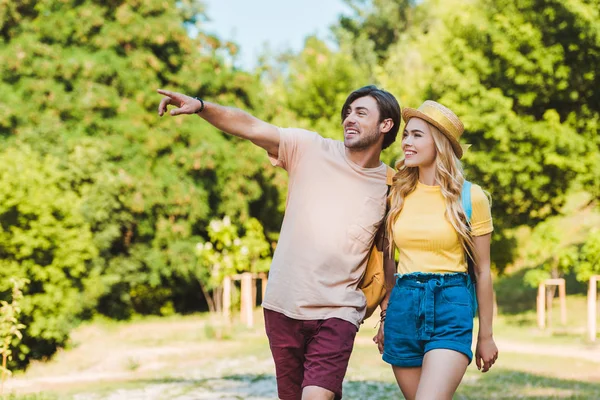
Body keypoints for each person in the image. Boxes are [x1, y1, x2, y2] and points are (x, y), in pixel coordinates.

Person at [156, 86, 401, 400]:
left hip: (339, 311)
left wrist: (386, 315)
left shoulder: (392, 185)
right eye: (348, 112)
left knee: (317, 396)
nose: (349, 119)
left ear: (386, 125)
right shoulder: (311, 148)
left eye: (361, 113)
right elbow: (250, 126)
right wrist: (202, 106)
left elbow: (387, 255)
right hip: (282, 307)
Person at [373, 100, 499, 400]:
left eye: (417, 135)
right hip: (403, 308)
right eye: (406, 134)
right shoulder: (397, 194)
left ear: (439, 144)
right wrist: (385, 317)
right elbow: (388, 263)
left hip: (450, 306)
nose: (406, 142)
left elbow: (482, 271)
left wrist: (486, 335)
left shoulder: (471, 197)